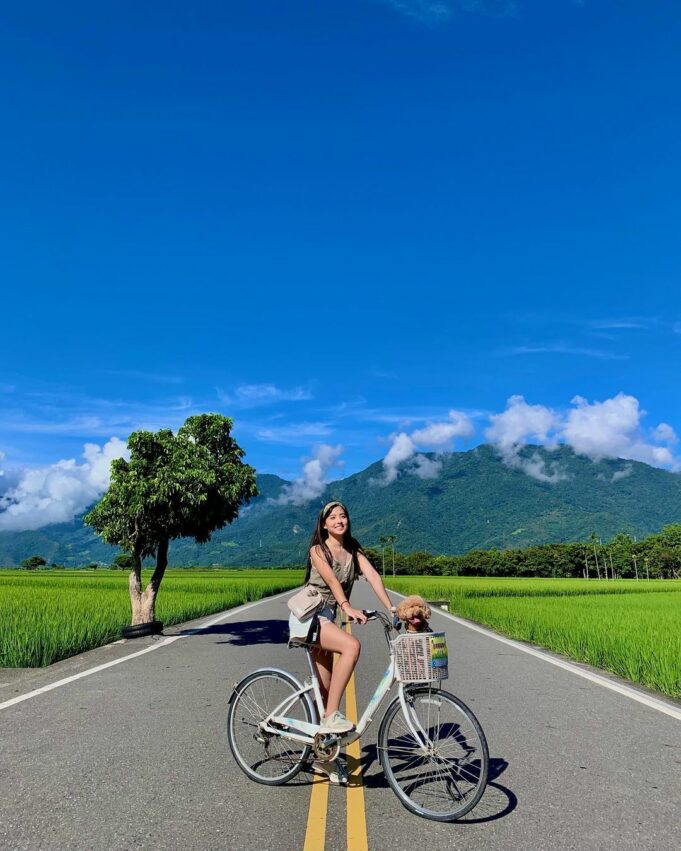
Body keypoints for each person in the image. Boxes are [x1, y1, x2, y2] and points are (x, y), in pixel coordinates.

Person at [288, 500, 396, 749]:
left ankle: (321, 756)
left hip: (328, 617)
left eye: (343, 516)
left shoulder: (353, 550)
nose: (339, 520)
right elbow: (333, 583)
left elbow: (372, 576)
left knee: (325, 692)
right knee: (351, 647)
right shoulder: (318, 550)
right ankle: (331, 716)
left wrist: (391, 608)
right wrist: (347, 607)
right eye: (333, 517)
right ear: (324, 525)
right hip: (311, 617)